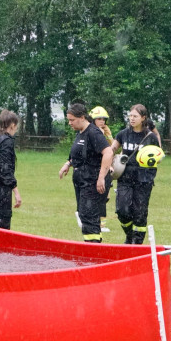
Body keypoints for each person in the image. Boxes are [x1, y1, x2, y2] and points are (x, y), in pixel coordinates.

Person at [59, 103, 113, 242]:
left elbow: (108, 152)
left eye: (72, 120)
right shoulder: (80, 132)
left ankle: (94, 249)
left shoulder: (94, 132)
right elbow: (80, 153)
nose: (69, 123)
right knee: (84, 214)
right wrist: (68, 163)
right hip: (81, 179)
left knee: (89, 216)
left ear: (82, 117)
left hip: (93, 180)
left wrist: (101, 177)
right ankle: (93, 246)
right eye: (68, 120)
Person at [110, 104, 162, 244]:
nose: (132, 119)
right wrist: (109, 162)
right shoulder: (123, 134)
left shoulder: (150, 137)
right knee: (122, 210)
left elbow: (158, 158)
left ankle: (137, 243)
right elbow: (111, 150)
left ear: (143, 118)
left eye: (135, 116)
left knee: (140, 213)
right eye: (130, 115)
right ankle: (130, 235)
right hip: (125, 178)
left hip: (143, 179)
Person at [90, 106, 113, 233]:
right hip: (94, 168)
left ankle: (101, 223)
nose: (102, 121)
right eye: (99, 119)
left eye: (104, 119)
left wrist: (108, 135)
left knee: (105, 196)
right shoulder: (90, 133)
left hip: (106, 169)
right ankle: (93, 221)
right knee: (94, 196)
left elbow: (113, 149)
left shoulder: (105, 132)